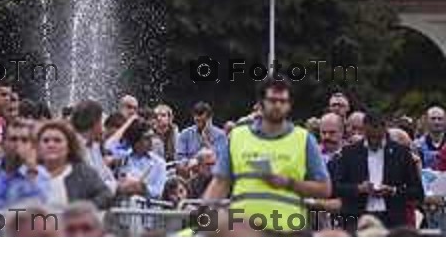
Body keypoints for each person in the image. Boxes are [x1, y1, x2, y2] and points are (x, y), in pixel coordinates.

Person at [204, 79, 331, 233]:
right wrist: (204, 212)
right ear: (261, 104)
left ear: (289, 105)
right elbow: (220, 183)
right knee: (217, 223)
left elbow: (325, 189)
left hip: (288, 229)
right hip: (242, 227)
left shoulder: (304, 139)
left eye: (283, 101)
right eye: (272, 100)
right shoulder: (238, 136)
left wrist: (289, 183)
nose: (278, 105)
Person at [333, 111, 424, 231]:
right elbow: (335, 187)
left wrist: (393, 190)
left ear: (385, 129)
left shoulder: (401, 153)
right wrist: (359, 188)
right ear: (364, 130)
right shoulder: (348, 153)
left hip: (392, 220)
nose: (374, 142)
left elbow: (418, 192)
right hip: (357, 218)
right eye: (370, 137)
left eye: (378, 137)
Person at [0, 119, 50, 210]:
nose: (18, 144)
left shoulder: (40, 176)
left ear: (32, 145)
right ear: (3, 143)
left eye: (24, 140)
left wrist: (31, 172)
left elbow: (41, 210)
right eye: (13, 139)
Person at [36, 119, 113, 209]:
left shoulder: (83, 172)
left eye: (57, 140)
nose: (51, 145)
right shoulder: (27, 174)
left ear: (69, 146)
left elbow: (106, 196)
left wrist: (82, 211)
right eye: (46, 141)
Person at [71, 100, 117, 194]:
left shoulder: (95, 147)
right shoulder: (72, 148)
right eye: (101, 121)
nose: (103, 128)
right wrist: (119, 187)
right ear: (95, 123)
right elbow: (89, 186)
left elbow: (107, 177)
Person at [116, 118, 167, 199]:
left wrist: (143, 188)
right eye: (147, 138)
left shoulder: (159, 163)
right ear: (136, 141)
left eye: (152, 137)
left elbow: (159, 192)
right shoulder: (122, 159)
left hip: (149, 208)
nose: (151, 141)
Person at [176, 102, 226, 173]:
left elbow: (221, 160)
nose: (200, 124)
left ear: (209, 119)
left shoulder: (220, 135)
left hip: (213, 173)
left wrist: (206, 141)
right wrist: (193, 161)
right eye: (197, 121)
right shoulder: (185, 134)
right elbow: (179, 158)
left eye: (203, 121)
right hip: (191, 172)